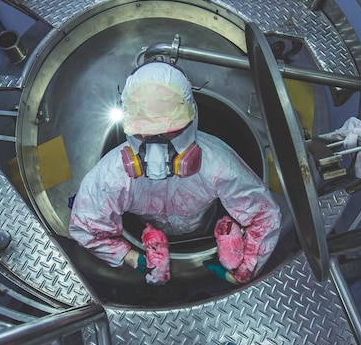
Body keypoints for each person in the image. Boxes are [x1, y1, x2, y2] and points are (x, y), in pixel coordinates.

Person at [68, 61, 284, 285]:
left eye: (171, 131)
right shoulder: (111, 177)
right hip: (156, 232)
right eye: (144, 134)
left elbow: (264, 217)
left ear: (192, 121)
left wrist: (245, 268)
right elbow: (85, 228)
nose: (157, 149)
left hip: (206, 224)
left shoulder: (216, 164)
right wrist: (136, 259)